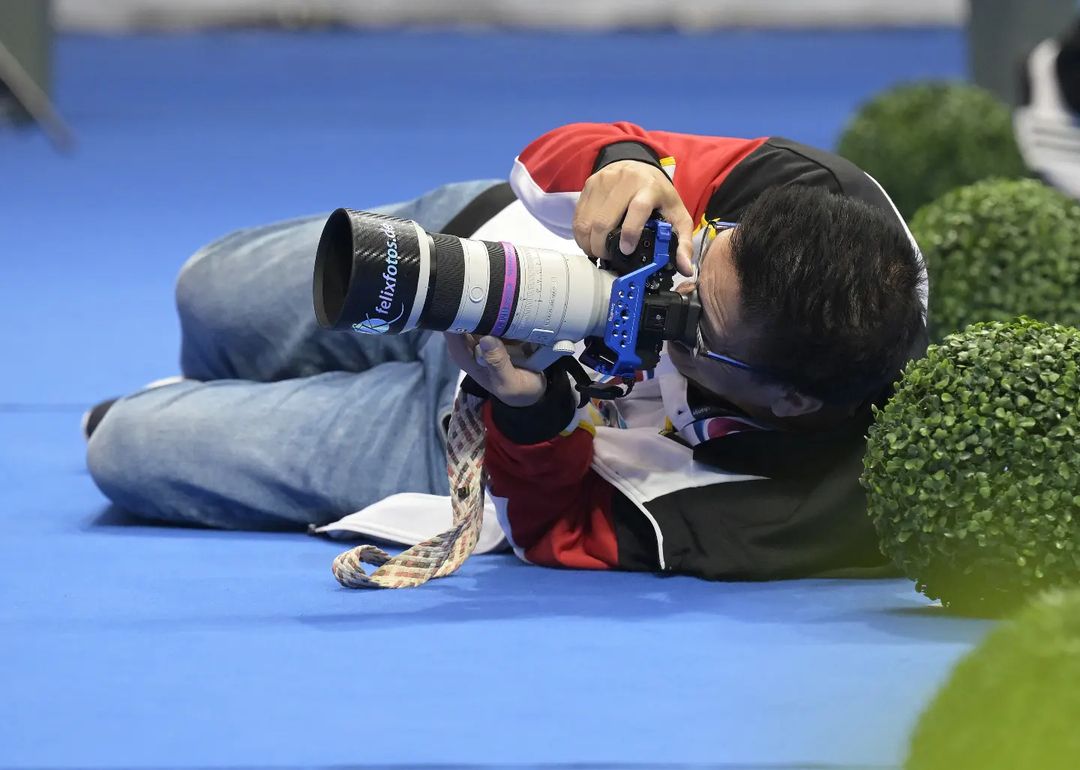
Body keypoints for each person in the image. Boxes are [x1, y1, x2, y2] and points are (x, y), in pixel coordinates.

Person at [86, 121, 928, 581]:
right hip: (485, 247)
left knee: (124, 447)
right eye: (700, 254)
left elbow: (562, 529)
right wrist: (623, 163)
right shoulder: (812, 198)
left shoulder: (790, 515)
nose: (671, 292)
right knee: (205, 290)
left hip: (479, 421)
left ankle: (206, 404)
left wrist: (530, 414)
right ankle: (239, 374)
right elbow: (584, 144)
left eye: (694, 324)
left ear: (788, 401)